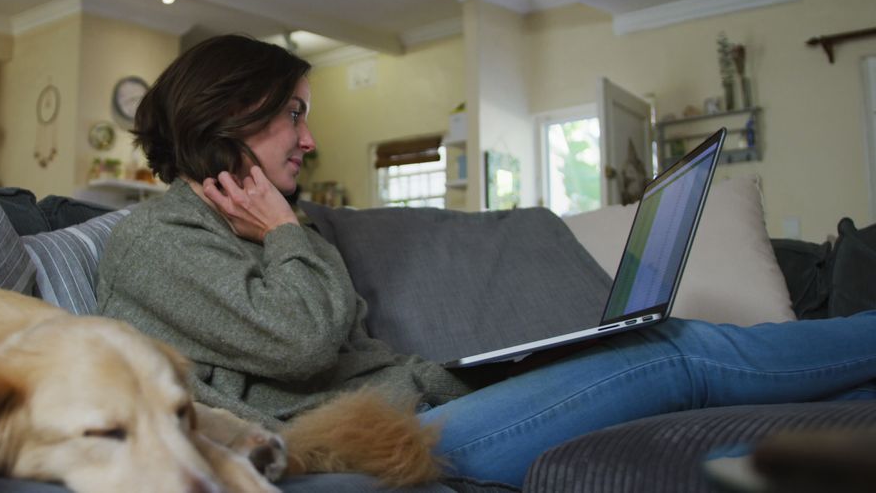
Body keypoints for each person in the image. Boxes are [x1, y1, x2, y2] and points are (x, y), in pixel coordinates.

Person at [97, 34, 876, 487]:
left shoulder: (262, 228)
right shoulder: (154, 241)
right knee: (674, 351)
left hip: (425, 406)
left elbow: (342, 339)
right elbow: (302, 342)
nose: (308, 138)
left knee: (656, 348)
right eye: (293, 115)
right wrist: (287, 231)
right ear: (230, 117)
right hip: (379, 443)